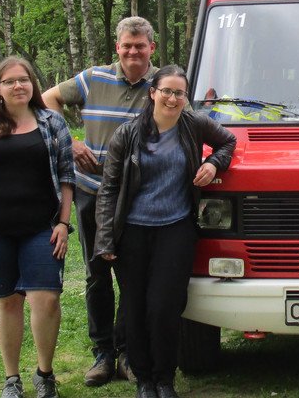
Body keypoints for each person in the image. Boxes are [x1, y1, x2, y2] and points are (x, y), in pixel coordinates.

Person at [93, 65, 236, 398]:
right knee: (135, 307)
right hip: (132, 233)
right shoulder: (127, 135)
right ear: (152, 93)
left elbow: (228, 142)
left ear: (185, 97)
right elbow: (109, 189)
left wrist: (213, 163)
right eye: (167, 91)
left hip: (176, 229)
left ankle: (164, 378)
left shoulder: (193, 125)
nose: (172, 98)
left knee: (164, 306)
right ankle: (144, 380)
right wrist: (105, 239)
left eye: (179, 93)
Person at [42, 16, 158, 386]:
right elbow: (48, 99)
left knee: (132, 275)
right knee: (97, 275)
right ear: (117, 47)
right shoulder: (94, 77)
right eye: (127, 45)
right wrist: (69, 142)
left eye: (140, 46)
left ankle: (126, 352)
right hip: (91, 191)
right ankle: (102, 353)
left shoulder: (163, 84)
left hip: (137, 197)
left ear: (151, 48)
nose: (133, 52)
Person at [0, 56, 75, 398]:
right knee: (7, 301)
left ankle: (44, 374)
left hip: (43, 228)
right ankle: (11, 379)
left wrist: (64, 223)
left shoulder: (53, 124)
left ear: (33, 84)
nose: (18, 86)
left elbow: (67, 177)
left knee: (46, 299)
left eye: (24, 79)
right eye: (9, 81)